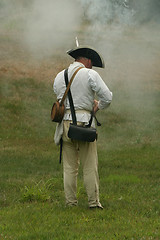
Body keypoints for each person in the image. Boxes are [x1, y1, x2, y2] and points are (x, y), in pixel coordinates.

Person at [53, 45, 112, 209]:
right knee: (89, 166)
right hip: (84, 124)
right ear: (86, 60)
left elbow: (59, 97)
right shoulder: (90, 74)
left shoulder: (59, 76)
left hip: (65, 125)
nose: (92, 66)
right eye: (91, 63)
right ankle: (93, 203)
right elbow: (107, 97)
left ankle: (70, 203)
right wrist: (97, 106)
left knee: (69, 168)